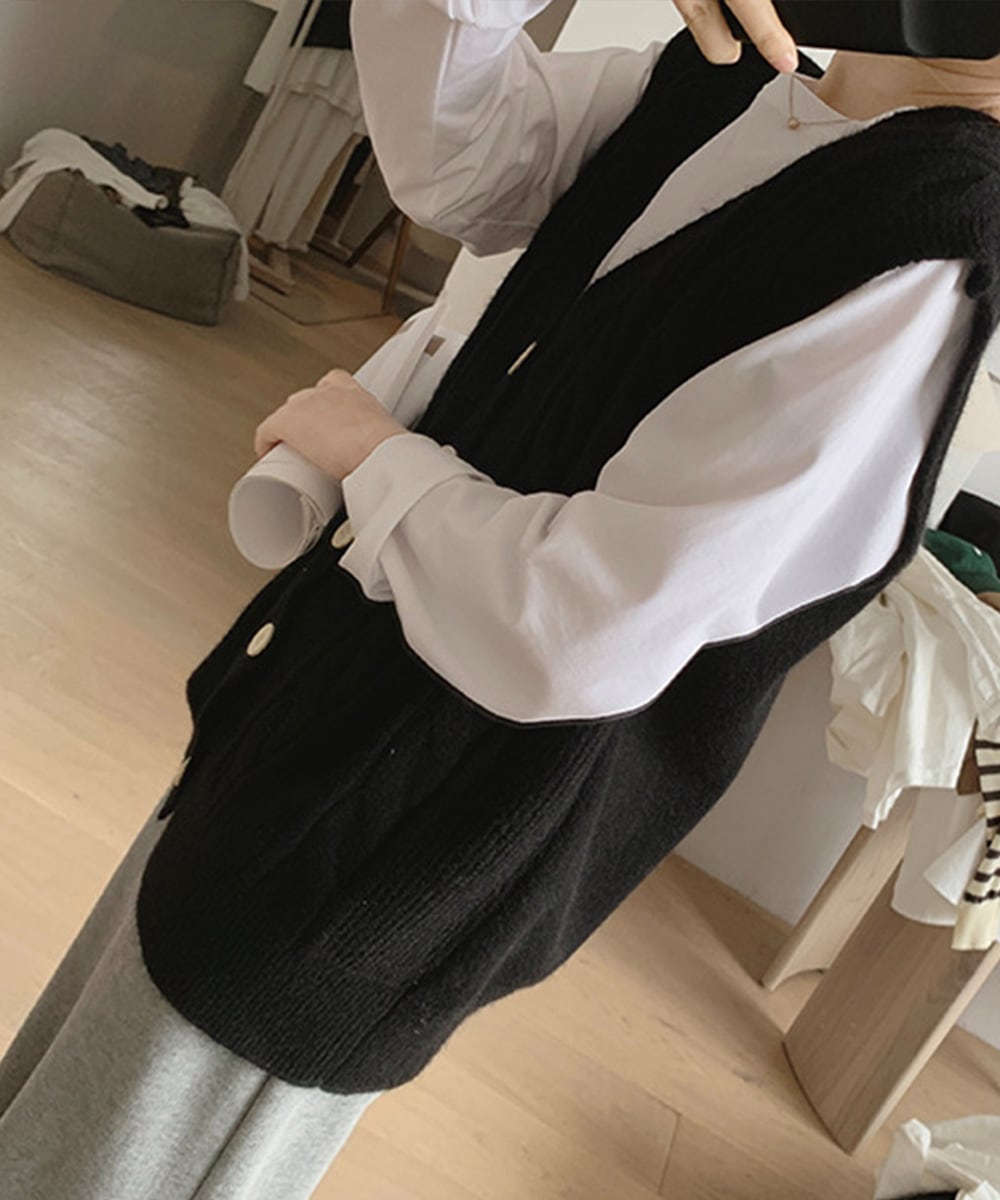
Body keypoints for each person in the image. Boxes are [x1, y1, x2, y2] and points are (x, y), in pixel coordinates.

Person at [2, 0, 999, 1195]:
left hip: (389, 840)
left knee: (121, 1145)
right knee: (74, 1081)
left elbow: (584, 629)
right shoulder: (731, 80)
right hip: (311, 718)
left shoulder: (920, 256)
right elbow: (462, 161)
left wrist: (373, 455)